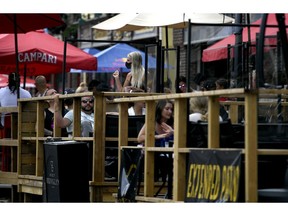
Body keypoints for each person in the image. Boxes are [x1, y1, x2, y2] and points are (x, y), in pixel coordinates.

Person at [137, 99, 174, 182]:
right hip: (155, 154)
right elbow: (139, 138)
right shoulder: (152, 122)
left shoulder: (173, 123)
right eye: (167, 109)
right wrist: (156, 137)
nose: (170, 112)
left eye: (171, 109)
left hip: (170, 154)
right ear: (160, 109)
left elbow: (182, 137)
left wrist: (173, 132)